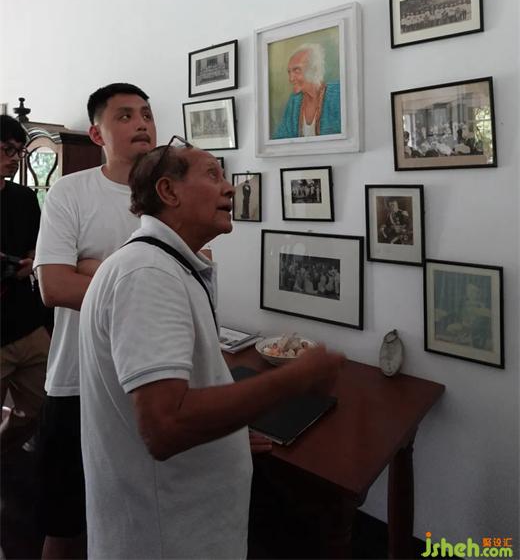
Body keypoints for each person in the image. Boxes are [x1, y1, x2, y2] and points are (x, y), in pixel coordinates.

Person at [79, 143, 345, 560]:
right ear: (169, 191)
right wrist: (294, 379)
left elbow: (183, 394)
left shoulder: (166, 265)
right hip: (165, 538)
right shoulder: (148, 273)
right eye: (212, 175)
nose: (230, 188)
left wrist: (229, 430)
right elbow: (165, 425)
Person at [34, 83, 157, 560]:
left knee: (137, 519)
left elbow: (196, 273)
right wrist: (141, 283)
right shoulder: (71, 191)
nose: (141, 123)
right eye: (124, 116)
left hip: (150, 380)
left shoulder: (167, 194)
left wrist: (92, 267)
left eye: (146, 114)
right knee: (64, 524)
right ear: (97, 134)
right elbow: (54, 287)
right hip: (78, 382)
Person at [0, 115, 50, 456]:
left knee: (43, 407)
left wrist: (33, 261)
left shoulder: (24, 197)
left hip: (28, 323)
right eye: (7, 149)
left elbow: (40, 245)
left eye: (20, 150)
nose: (15, 157)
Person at [274, 43, 341, 138]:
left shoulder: (337, 94)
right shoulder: (294, 101)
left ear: (314, 70)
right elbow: (280, 137)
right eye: (289, 72)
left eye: (297, 70)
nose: (291, 79)